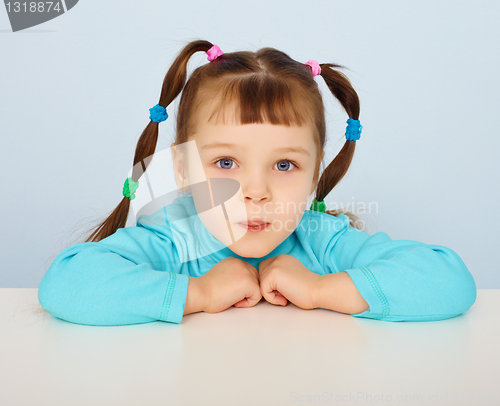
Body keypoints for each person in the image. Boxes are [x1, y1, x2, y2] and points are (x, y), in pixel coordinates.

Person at [37, 40, 477, 326]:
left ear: (315, 172)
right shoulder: (174, 237)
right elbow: (68, 283)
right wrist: (201, 291)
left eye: (284, 165)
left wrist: (319, 288)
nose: (256, 192)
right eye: (226, 162)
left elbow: (449, 280)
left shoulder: (321, 239)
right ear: (185, 169)